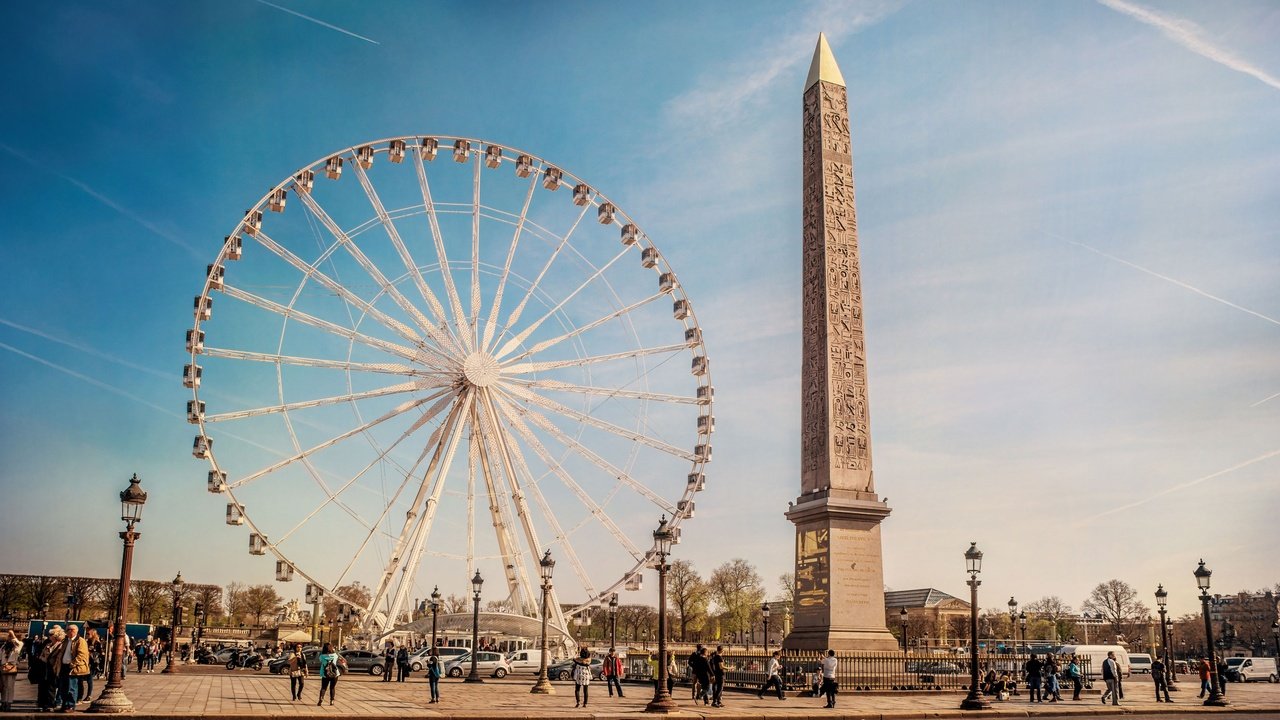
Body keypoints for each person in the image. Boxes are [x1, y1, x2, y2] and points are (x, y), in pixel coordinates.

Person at [38, 626, 64, 712]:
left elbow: (59, 658)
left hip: (54, 669)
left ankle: (50, 705)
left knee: (51, 687)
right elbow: (41, 656)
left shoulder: (61, 646)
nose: (49, 636)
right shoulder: (48, 645)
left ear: (56, 636)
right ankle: (42, 704)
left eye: (51, 634)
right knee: (42, 687)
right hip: (44, 668)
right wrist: (44, 659)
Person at [1, 631, 24, 712]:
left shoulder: (18, 645)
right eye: (9, 636)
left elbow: (18, 643)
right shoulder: (4, 646)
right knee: (3, 686)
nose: (9, 638)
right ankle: (3, 702)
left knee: (9, 686)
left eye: (10, 636)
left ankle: (9, 703)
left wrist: (13, 635)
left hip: (11, 668)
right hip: (3, 667)